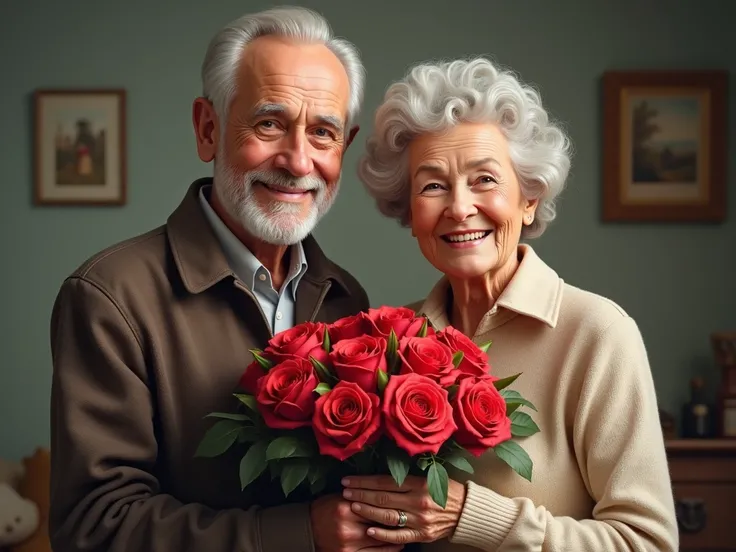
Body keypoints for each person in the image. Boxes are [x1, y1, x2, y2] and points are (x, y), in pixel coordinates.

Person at [48, 7, 403, 552]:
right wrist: (298, 535)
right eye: (269, 124)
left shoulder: (345, 298)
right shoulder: (110, 296)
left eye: (323, 133)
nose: (298, 160)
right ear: (208, 129)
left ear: (344, 147)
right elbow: (95, 525)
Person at [351, 57, 679, 551]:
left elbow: (648, 543)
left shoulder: (596, 334)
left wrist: (473, 516)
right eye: (433, 185)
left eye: (484, 179)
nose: (459, 207)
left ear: (529, 197)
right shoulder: (394, 340)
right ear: (409, 210)